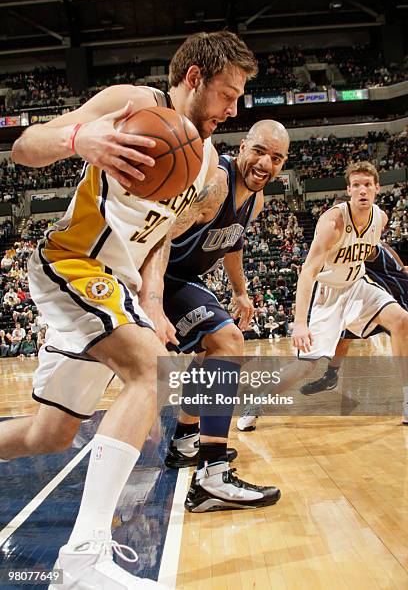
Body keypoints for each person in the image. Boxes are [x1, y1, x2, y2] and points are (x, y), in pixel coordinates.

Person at [0, 31, 258, 589]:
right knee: (151, 369)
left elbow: (160, 237)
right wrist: (78, 138)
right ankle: (83, 560)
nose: (233, 109)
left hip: (115, 284)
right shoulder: (135, 104)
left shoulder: (206, 157)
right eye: (228, 93)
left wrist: (152, 300)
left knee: (47, 436)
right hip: (72, 263)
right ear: (195, 78)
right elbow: (24, 146)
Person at [161, 120, 289, 512]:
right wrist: (147, 298)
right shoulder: (217, 185)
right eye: (260, 151)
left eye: (277, 157)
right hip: (157, 275)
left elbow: (233, 242)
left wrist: (240, 290)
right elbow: (161, 236)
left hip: (180, 277)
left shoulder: (255, 198)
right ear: (243, 146)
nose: (266, 163)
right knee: (229, 342)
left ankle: (185, 440)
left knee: (211, 353)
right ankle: (211, 478)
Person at [238, 161, 408, 431]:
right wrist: (300, 323)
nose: (362, 190)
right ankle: (256, 401)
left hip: (356, 286)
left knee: (402, 320)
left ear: (377, 188)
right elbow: (307, 272)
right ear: (348, 190)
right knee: (305, 366)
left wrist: (400, 268)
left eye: (367, 185)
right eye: (356, 185)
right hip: (325, 294)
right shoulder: (333, 222)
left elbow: (375, 249)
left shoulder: (381, 218)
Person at [300, 239, 408, 422]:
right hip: (365, 296)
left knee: (402, 331)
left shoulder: (369, 243)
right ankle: (331, 375)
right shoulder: (353, 242)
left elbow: (394, 263)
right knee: (343, 338)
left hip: (393, 293)